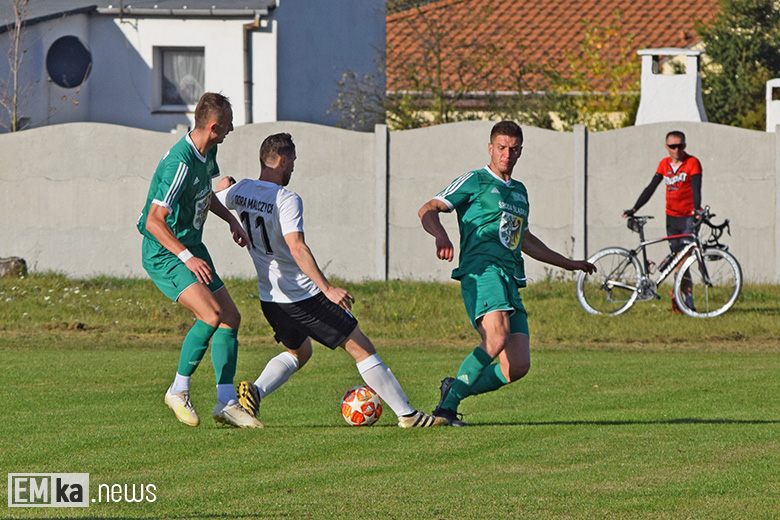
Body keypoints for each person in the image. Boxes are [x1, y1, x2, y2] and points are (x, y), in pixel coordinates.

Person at [216, 133, 447, 428]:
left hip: (270, 299)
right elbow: (297, 247)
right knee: (361, 347)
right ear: (283, 160)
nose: (293, 169)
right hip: (303, 296)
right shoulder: (286, 199)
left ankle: (256, 393)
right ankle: (408, 415)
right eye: (293, 162)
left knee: (300, 352)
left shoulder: (243, 190)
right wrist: (328, 289)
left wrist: (226, 187)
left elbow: (220, 194)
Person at [418, 120, 596, 426]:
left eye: (513, 149)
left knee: (517, 366)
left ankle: (454, 388)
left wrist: (570, 263)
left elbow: (523, 238)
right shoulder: (474, 181)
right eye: (501, 147)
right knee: (496, 336)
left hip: (511, 277)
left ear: (520, 151)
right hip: (482, 270)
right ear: (490, 148)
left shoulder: (519, 192)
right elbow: (428, 208)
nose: (506, 154)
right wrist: (441, 236)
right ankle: (446, 408)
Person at [137, 92, 262, 429]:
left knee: (230, 317)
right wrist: (187, 257)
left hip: (190, 246)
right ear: (213, 126)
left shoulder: (208, 152)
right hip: (165, 252)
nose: (233, 128)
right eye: (230, 123)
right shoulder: (180, 162)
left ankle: (225, 402)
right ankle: (178, 390)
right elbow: (153, 221)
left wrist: (231, 220)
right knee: (210, 314)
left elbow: (203, 195)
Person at [622, 130, 702, 312]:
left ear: (685, 146)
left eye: (680, 146)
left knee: (683, 261)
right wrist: (635, 208)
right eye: (672, 146)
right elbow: (651, 187)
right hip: (672, 218)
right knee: (678, 261)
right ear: (666, 147)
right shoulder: (664, 165)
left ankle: (684, 298)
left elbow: (697, 189)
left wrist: (697, 210)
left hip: (688, 217)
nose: (676, 150)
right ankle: (682, 299)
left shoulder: (692, 163)